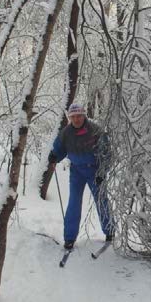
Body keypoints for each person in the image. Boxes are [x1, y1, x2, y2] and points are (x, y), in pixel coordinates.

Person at [48, 103, 113, 250]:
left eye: (79, 116)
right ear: (70, 118)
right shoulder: (66, 133)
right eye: (73, 117)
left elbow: (106, 153)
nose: (76, 119)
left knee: (101, 200)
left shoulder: (95, 130)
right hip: (76, 172)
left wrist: (102, 172)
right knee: (73, 203)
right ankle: (69, 238)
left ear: (84, 116)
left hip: (94, 171)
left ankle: (110, 231)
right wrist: (54, 155)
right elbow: (59, 148)